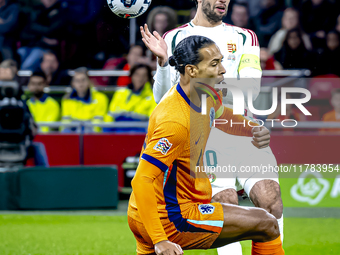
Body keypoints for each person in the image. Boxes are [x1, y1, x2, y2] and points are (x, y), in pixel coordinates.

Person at [140, 0, 284, 254]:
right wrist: (163, 64)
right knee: (224, 202)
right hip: (205, 138)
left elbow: (251, 88)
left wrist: (201, 82)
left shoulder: (244, 36)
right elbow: (163, 98)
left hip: (242, 130)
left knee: (271, 201)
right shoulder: (173, 38)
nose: (223, 1)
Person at [18, 0, 67, 71]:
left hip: (45, 48)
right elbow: (25, 31)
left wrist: (36, 31)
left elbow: (50, 31)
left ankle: (25, 81)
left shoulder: (60, 12)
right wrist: (40, 36)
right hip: (31, 44)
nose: (47, 1)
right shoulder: (34, 10)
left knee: (27, 65)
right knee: (20, 52)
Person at [61, 67, 108, 132]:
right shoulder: (66, 100)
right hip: (73, 134)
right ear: (73, 84)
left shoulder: (101, 98)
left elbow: (97, 125)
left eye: (83, 80)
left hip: (92, 135)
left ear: (89, 82)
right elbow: (65, 124)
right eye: (77, 81)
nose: (81, 84)